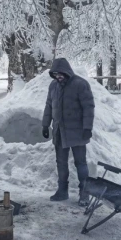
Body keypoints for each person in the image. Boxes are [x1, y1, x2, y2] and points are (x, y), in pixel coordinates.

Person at [42, 58, 95, 206]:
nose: (58, 77)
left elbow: (88, 108)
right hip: (59, 131)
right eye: (56, 75)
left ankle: (84, 194)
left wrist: (87, 128)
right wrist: (45, 125)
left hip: (77, 132)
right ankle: (62, 191)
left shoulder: (80, 84)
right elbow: (48, 106)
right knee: (61, 163)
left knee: (81, 163)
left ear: (67, 72)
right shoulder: (53, 86)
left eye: (61, 75)